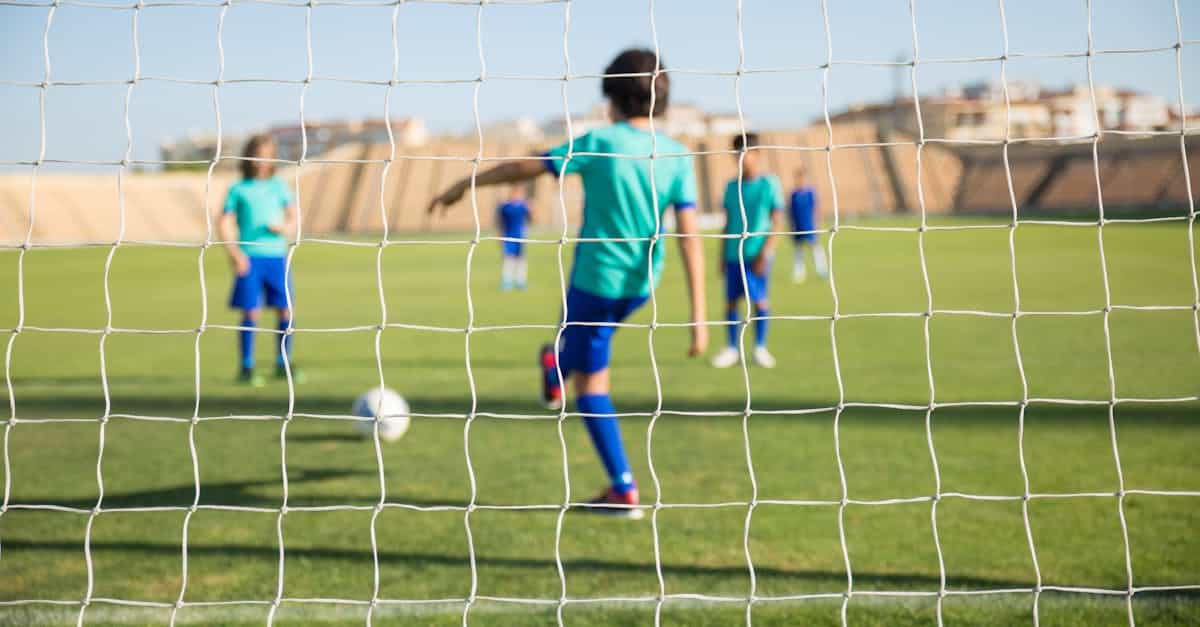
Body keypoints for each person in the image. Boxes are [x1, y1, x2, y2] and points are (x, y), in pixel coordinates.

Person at [428, 48, 707, 519]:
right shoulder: (676, 154)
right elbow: (691, 239)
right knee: (575, 342)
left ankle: (623, 490)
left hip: (597, 283)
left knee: (591, 385)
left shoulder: (599, 142)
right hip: (641, 286)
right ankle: (554, 361)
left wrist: (466, 184)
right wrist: (700, 317)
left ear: (610, 97)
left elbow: (524, 167)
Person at [220, 134, 302, 387]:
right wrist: (234, 253)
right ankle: (246, 367)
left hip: (277, 257)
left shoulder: (279, 186)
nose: (261, 160)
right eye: (257, 154)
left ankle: (282, 363)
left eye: (266, 154)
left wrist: (285, 228)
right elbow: (223, 222)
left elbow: (293, 216)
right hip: (250, 257)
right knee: (251, 311)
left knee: (285, 309)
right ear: (248, 156)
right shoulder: (238, 189)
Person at [710, 132, 783, 370]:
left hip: (757, 255)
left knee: (759, 302)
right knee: (731, 302)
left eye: (745, 152)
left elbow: (777, 221)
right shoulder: (731, 187)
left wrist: (766, 252)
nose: (741, 158)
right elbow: (727, 222)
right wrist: (721, 255)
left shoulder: (768, 184)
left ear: (757, 154)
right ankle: (732, 348)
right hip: (733, 255)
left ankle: (760, 347)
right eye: (736, 153)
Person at [789, 164, 828, 283]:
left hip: (809, 226)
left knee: (816, 248)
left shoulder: (810, 193)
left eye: (802, 178)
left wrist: (817, 222)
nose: (800, 180)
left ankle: (822, 270)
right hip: (798, 227)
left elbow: (816, 209)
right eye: (798, 178)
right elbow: (790, 212)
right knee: (798, 251)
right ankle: (799, 274)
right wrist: (791, 226)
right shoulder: (793, 195)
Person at [496, 185, 531, 291]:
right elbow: (500, 222)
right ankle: (507, 281)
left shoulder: (523, 206)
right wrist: (500, 235)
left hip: (520, 236)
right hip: (508, 236)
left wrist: (532, 209)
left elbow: (531, 218)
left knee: (521, 259)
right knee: (508, 259)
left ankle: (521, 281)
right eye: (516, 193)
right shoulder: (506, 207)